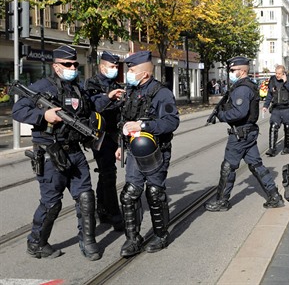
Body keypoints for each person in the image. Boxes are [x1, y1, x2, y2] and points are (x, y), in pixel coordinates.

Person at [12, 45, 111, 261]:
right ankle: (36, 243)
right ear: (56, 66)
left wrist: (109, 97)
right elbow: (18, 111)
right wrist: (43, 115)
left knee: (86, 196)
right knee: (51, 203)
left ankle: (88, 241)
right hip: (50, 154)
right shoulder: (42, 87)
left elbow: (90, 104)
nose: (73, 67)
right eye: (67, 64)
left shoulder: (76, 88)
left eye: (75, 64)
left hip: (75, 151)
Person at [115, 51, 179, 257]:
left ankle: (160, 235)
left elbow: (171, 122)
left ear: (144, 74)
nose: (128, 74)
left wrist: (143, 125)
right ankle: (132, 239)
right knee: (129, 194)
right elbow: (125, 120)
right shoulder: (131, 91)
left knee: (154, 193)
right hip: (134, 151)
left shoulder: (162, 93)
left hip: (155, 151)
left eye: (131, 71)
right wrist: (121, 145)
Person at [205, 56, 285, 212]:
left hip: (240, 134)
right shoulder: (247, 85)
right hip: (248, 133)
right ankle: (274, 196)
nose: (231, 72)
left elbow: (239, 113)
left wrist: (221, 116)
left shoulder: (242, 88)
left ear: (242, 71)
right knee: (256, 165)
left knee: (228, 167)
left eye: (233, 70)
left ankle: (222, 201)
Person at [85, 51, 125, 231]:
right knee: (108, 173)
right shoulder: (91, 84)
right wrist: (108, 97)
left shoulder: (116, 84)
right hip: (99, 135)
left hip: (114, 134)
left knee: (107, 172)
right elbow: (91, 107)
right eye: (112, 66)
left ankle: (103, 208)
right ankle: (115, 215)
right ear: (102, 67)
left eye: (116, 67)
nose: (115, 69)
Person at [262, 65, 289, 156]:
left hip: (288, 108)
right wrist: (265, 106)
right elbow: (269, 95)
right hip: (276, 108)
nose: (277, 75)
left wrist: (286, 82)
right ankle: (272, 148)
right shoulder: (272, 80)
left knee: (287, 127)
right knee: (273, 126)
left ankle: (287, 147)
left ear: (284, 73)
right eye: (276, 73)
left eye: (279, 74)